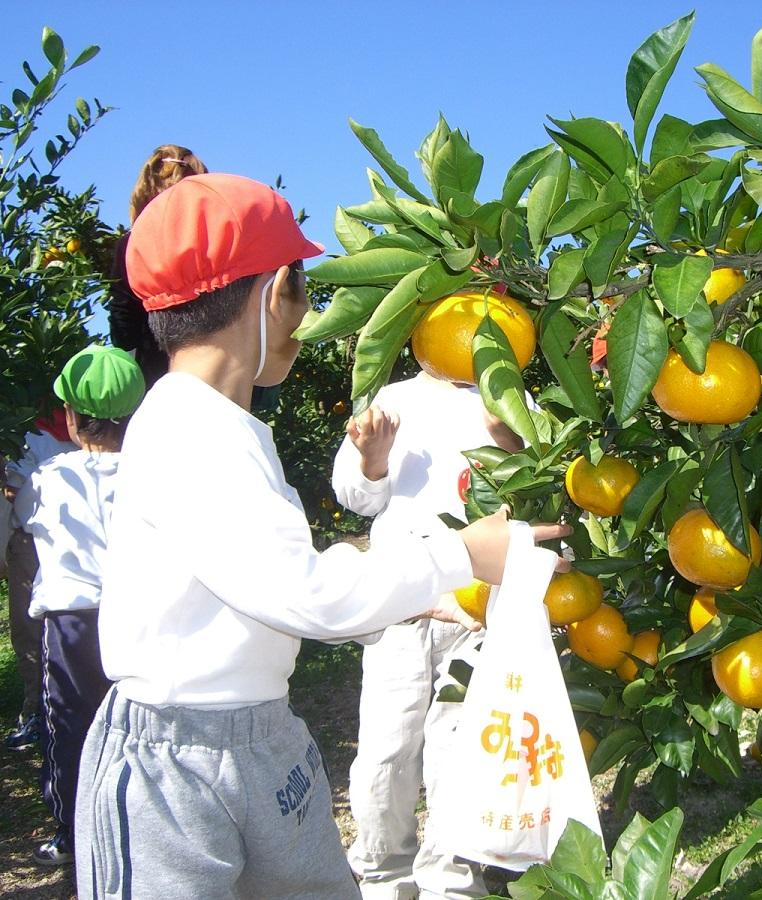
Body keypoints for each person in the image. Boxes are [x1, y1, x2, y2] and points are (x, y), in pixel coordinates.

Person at [73, 173, 569, 899]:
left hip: (263, 735)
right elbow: (303, 594)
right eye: (306, 293)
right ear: (278, 292)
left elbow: (279, 575)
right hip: (173, 765)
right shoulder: (189, 429)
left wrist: (409, 589)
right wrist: (461, 554)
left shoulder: (225, 426)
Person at [332, 374, 525, 900]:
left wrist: (509, 440)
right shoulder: (394, 400)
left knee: (461, 747)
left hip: (476, 605)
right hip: (402, 605)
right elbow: (356, 496)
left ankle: (453, 878)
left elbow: (535, 488)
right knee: (385, 749)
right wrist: (374, 457)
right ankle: (382, 875)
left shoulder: (509, 394)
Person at [14, 345, 145, 866]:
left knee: (69, 721)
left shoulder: (47, 478)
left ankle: (71, 832)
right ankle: (137, 819)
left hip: (70, 621)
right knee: (137, 721)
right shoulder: (149, 473)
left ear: (69, 416)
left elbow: (26, 522)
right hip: (137, 611)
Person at [1, 407, 76, 750]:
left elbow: (13, 490)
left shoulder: (29, 436)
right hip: (78, 542)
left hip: (34, 542)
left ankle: (35, 712)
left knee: (31, 631)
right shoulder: (105, 437)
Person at [108, 144, 207, 386]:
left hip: (154, 372)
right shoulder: (211, 240)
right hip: (213, 367)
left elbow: (123, 315)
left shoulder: (133, 244)